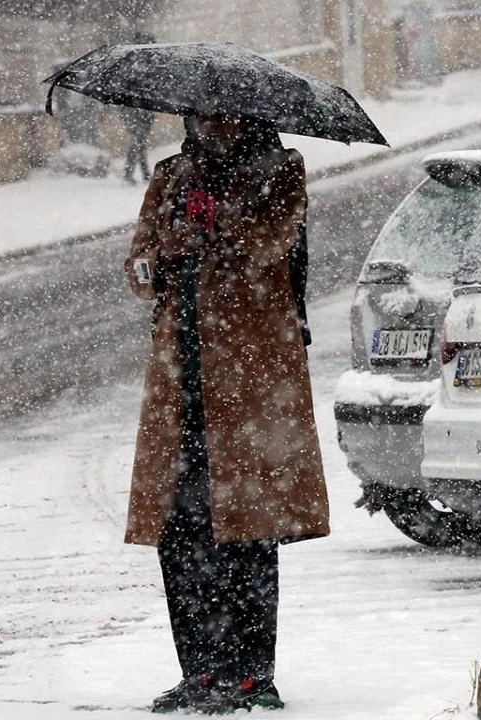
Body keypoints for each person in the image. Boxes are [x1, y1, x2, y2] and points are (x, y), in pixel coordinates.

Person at [122, 112, 330, 715]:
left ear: (249, 117)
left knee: (246, 529)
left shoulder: (279, 171)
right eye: (200, 114)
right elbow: (137, 270)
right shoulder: (169, 175)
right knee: (179, 531)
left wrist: (215, 229)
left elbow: (270, 246)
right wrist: (165, 253)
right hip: (180, 380)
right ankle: (199, 672)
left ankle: (249, 674)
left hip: (250, 379)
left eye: (223, 115)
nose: (210, 125)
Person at [120, 33, 157, 183]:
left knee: (139, 142)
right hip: (137, 111)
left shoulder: (139, 63)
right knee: (138, 142)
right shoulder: (137, 64)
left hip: (142, 112)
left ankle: (142, 174)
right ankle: (133, 174)